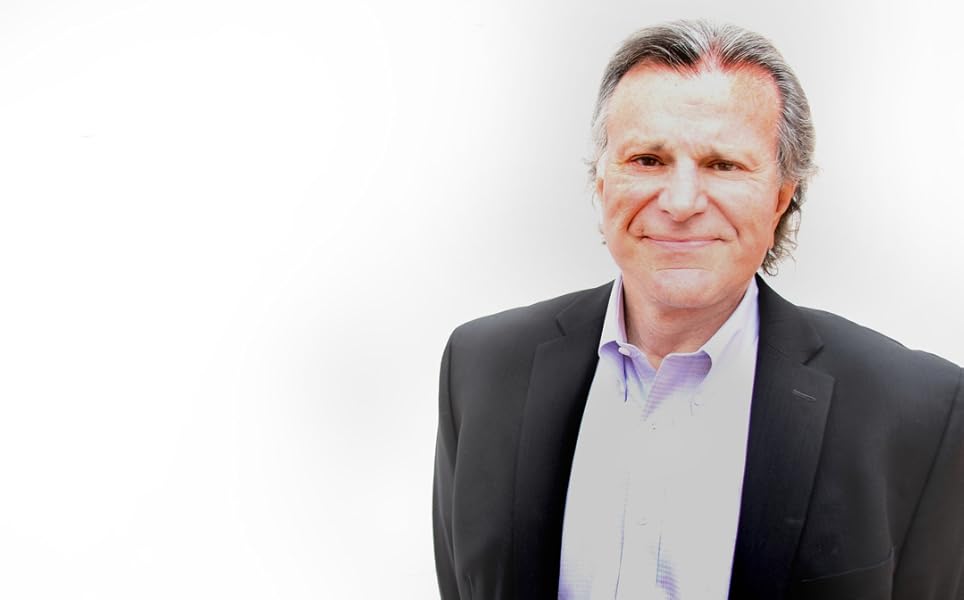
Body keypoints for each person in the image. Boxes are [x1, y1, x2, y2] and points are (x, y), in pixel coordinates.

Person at [432, 19, 963, 600]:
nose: (681, 202)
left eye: (723, 164)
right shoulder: (481, 370)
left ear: (781, 197)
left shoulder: (920, 411)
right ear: (601, 183)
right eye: (647, 160)